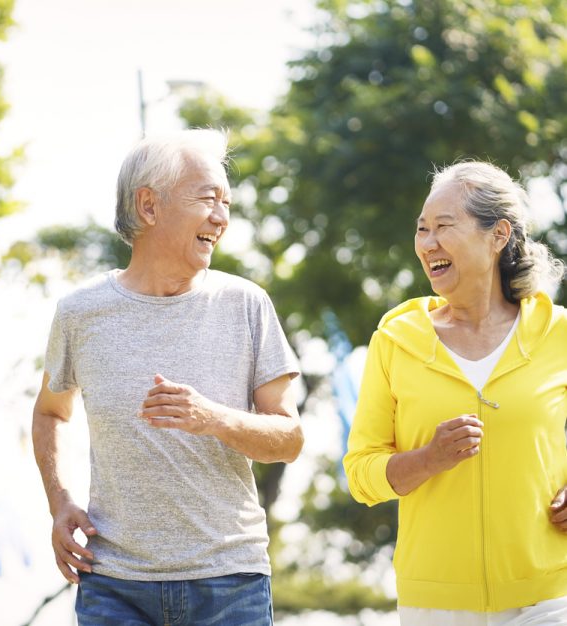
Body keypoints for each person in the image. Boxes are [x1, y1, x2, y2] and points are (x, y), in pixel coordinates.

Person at [31, 129, 304, 625]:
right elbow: (51, 413)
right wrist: (60, 501)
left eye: (227, 202)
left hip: (230, 584)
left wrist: (213, 418)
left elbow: (288, 438)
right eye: (208, 199)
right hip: (113, 586)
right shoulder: (80, 313)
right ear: (149, 206)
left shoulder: (246, 304)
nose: (222, 217)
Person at [344, 160, 567, 625]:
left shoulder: (558, 333)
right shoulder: (395, 339)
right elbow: (361, 472)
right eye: (422, 229)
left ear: (498, 235)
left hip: (549, 596)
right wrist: (428, 459)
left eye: (444, 227)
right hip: (435, 605)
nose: (427, 244)